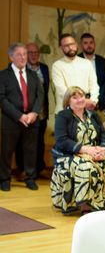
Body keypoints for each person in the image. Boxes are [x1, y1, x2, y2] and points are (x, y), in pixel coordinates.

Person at [51, 86, 105, 214]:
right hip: (69, 154)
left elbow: (104, 135)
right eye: (74, 97)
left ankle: (101, 203)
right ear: (68, 101)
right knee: (85, 167)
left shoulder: (93, 115)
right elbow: (62, 141)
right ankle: (85, 204)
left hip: (93, 152)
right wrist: (86, 149)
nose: (80, 99)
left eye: (81, 96)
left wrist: (102, 149)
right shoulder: (63, 116)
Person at [0, 43, 44, 191]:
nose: (23, 57)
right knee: (7, 151)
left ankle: (30, 178)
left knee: (31, 150)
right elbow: (2, 99)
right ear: (11, 57)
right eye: (19, 54)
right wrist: (19, 116)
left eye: (25, 54)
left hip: (32, 120)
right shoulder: (3, 75)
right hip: (11, 120)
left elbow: (40, 96)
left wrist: (34, 113)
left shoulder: (33, 75)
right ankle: (5, 179)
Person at [51, 34, 100, 114]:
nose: (70, 48)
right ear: (61, 48)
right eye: (67, 45)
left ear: (76, 44)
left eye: (72, 44)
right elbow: (62, 91)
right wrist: (82, 102)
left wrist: (93, 101)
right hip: (66, 111)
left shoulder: (86, 63)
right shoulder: (57, 65)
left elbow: (94, 85)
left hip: (86, 110)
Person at [25, 42, 50, 176]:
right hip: (26, 113)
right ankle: (24, 170)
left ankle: (40, 168)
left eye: (36, 53)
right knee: (24, 142)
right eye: (30, 52)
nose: (33, 55)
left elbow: (45, 90)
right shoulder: (21, 69)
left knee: (40, 141)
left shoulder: (44, 68)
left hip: (41, 112)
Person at [78, 33, 105, 110]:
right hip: (81, 101)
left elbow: (104, 82)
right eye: (85, 43)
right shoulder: (77, 60)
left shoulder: (101, 60)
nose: (89, 45)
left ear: (94, 44)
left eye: (91, 42)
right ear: (81, 45)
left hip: (99, 102)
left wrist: (98, 99)